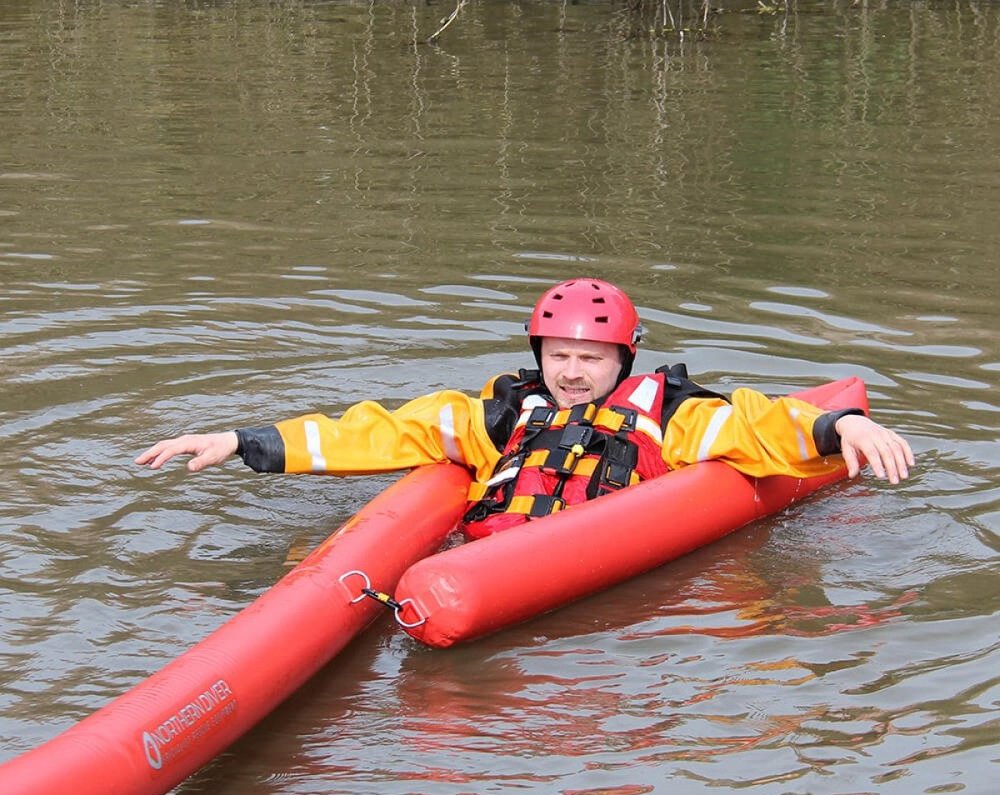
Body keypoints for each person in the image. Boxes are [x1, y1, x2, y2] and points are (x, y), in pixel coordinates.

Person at [136, 277, 914, 537]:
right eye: (559, 357)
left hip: (565, 558)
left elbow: (756, 422)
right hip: (478, 552)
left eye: (591, 359)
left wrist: (843, 423)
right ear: (539, 357)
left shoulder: (674, 416)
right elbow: (374, 430)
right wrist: (241, 441)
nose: (572, 374)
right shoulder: (500, 414)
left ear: (623, 360)